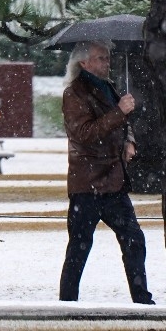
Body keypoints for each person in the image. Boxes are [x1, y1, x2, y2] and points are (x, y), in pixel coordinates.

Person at [58, 41, 154, 304]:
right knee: (79, 249)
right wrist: (119, 111)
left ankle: (142, 299)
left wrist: (129, 140)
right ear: (84, 63)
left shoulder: (109, 88)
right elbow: (84, 134)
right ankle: (67, 303)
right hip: (88, 184)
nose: (107, 62)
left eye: (108, 58)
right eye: (101, 58)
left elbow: (121, 124)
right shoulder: (74, 94)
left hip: (114, 182)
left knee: (134, 240)